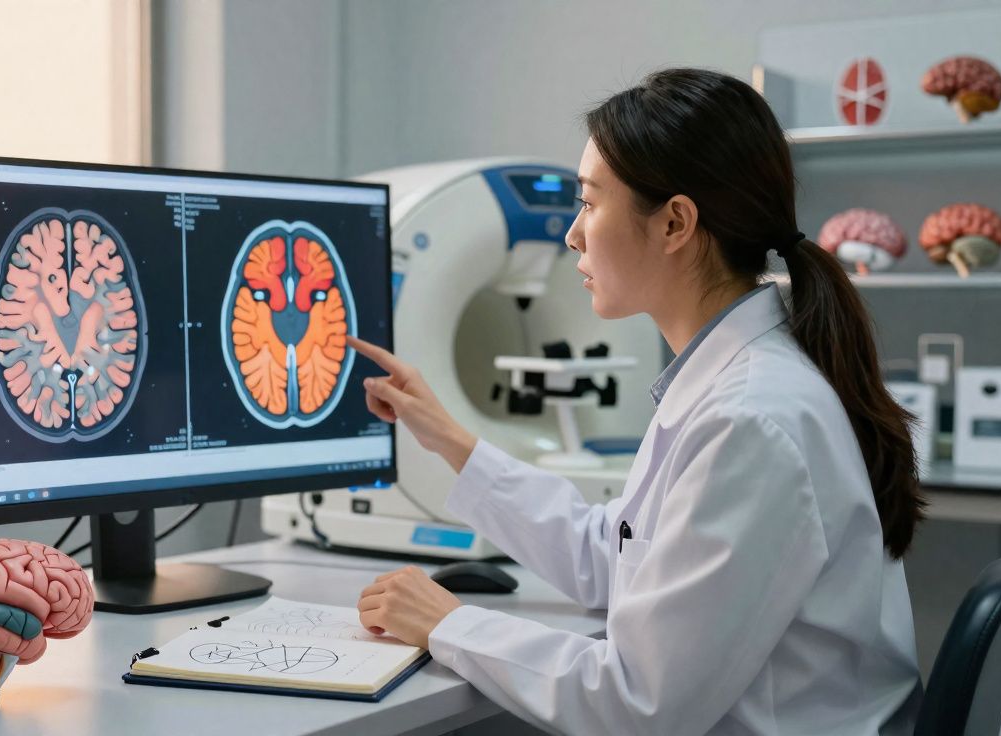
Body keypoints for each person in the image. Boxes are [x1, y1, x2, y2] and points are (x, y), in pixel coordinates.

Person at [350, 68, 926, 735]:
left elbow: (637, 704)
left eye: (590, 204)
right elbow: (613, 557)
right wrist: (447, 437)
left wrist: (448, 623)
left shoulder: (749, 419)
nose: (572, 235)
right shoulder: (729, 379)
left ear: (676, 222)